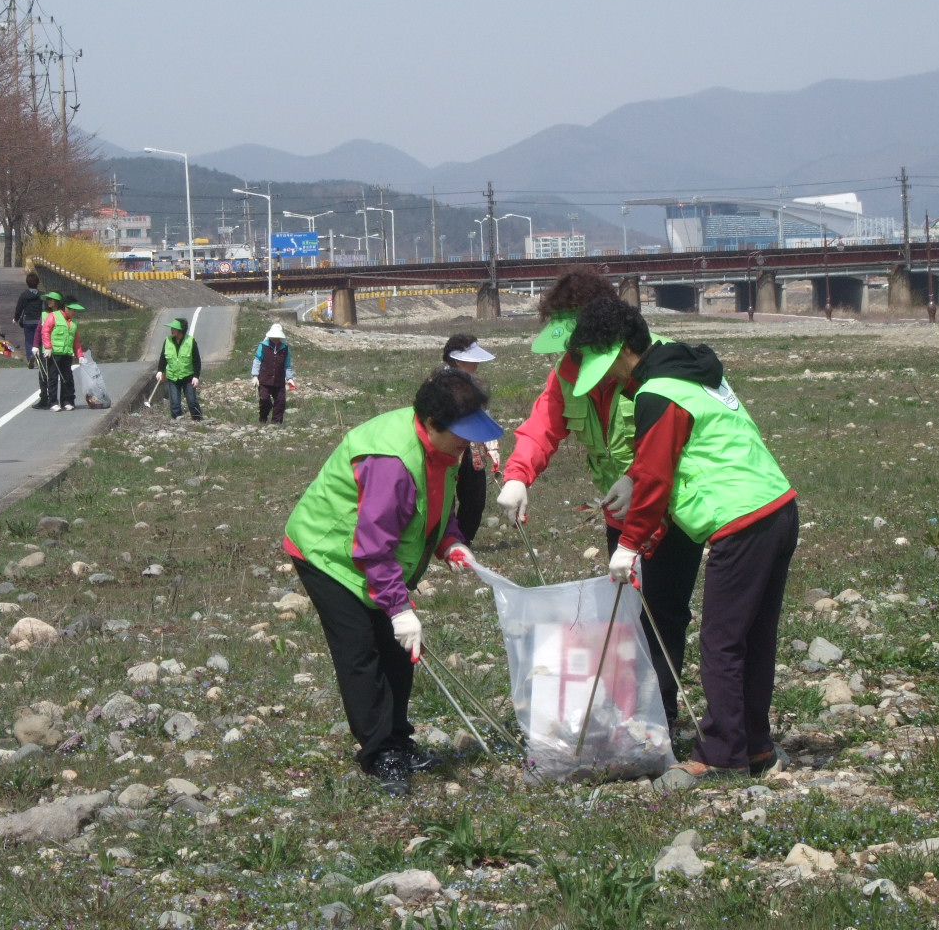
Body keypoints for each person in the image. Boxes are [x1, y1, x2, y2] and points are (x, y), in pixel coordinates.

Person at [568, 295, 799, 789]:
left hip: (740, 521)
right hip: (777, 506)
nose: (605, 379)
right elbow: (683, 451)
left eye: (601, 366)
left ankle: (720, 753)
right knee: (754, 636)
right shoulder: (695, 372)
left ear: (619, 352)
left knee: (721, 642)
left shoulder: (659, 392)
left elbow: (655, 477)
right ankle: (754, 742)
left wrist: (628, 544)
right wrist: (635, 478)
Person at [496, 266, 702, 728]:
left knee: (663, 614)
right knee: (625, 613)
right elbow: (545, 422)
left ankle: (659, 719)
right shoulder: (568, 371)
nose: (573, 351)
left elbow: (675, 442)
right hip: (619, 515)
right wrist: (518, 475)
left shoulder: (651, 359)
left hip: (671, 510)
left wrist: (638, 482)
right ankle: (630, 712)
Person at [282, 368, 494, 795]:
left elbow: (437, 505)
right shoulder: (391, 461)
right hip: (329, 555)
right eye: (462, 433)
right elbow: (373, 546)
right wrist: (398, 608)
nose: (467, 443)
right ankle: (379, 753)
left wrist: (450, 541)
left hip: (372, 557)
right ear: (433, 424)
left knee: (399, 653)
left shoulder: (442, 450)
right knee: (362, 651)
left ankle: (399, 737)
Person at [441, 334, 501, 544]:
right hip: (445, 447)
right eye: (471, 359)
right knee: (445, 498)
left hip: (472, 446)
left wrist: (492, 446)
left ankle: (464, 541)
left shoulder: (477, 383)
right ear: (456, 359)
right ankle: (443, 542)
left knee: (475, 498)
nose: (476, 363)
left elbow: (485, 415)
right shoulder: (439, 383)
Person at [38, 293, 82, 411]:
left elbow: (75, 341)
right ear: (66, 308)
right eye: (73, 310)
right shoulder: (53, 316)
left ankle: (67, 401)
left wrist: (80, 355)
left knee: (67, 378)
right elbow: (45, 331)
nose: (75, 313)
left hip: (67, 354)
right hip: (54, 354)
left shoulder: (73, 323)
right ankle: (53, 402)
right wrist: (48, 347)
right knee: (52, 378)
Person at [156, 317, 203, 421]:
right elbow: (163, 357)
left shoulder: (190, 341)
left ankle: (197, 419)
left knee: (192, 400)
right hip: (173, 377)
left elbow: (196, 361)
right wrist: (160, 371)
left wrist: (196, 376)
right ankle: (177, 420)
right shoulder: (167, 340)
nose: (171, 330)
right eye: (171, 328)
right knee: (175, 402)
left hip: (188, 377)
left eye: (174, 328)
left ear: (181, 330)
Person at [250, 323, 294, 424]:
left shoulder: (285, 349)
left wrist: (289, 378)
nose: (275, 339)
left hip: (279, 381)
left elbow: (287, 365)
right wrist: (255, 376)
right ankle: (263, 418)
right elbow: (257, 360)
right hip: (264, 379)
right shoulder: (263, 346)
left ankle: (276, 423)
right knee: (264, 399)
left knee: (280, 402)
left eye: (277, 337)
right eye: (274, 336)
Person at [13, 272, 44, 366]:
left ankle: (30, 356)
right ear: (37, 283)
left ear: (27, 283)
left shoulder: (24, 295)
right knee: (41, 340)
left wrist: (16, 318)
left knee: (29, 340)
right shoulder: (42, 295)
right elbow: (45, 308)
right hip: (40, 321)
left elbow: (19, 308)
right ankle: (41, 359)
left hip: (28, 321)